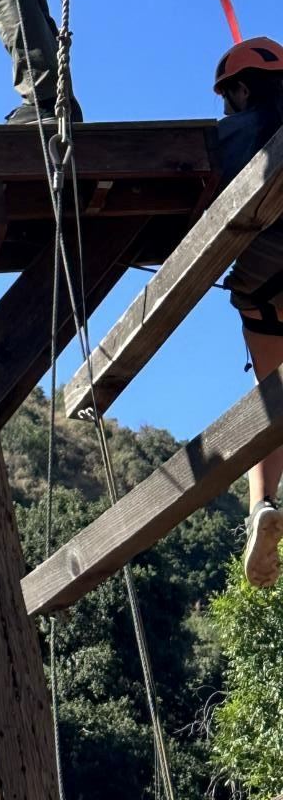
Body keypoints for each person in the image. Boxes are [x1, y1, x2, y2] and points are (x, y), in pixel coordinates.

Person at [212, 36, 283, 588]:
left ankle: (262, 504)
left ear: (241, 89)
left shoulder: (231, 135)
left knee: (271, 399)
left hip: (263, 279)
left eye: (227, 96)